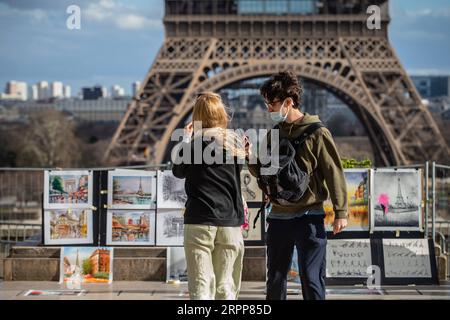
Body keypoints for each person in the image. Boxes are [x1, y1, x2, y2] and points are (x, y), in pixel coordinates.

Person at [247, 71, 348, 300]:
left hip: (309, 215)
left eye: (271, 104)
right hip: (279, 215)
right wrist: (250, 157)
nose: (269, 109)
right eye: (266, 104)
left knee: (311, 279)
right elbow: (265, 173)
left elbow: (333, 171)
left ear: (288, 102)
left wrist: (341, 212)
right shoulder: (274, 135)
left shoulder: (318, 133)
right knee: (275, 279)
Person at [172, 92, 248, 300]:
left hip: (200, 219)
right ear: (221, 114)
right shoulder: (235, 143)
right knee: (225, 285)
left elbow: (178, 170)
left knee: (201, 283)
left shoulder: (194, 144)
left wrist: (187, 139)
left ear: (197, 117)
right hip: (229, 221)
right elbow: (235, 174)